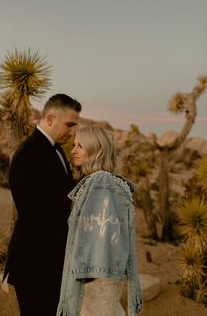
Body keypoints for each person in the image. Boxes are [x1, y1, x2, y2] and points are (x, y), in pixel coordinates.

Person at [2, 93, 82, 316]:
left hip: (51, 260)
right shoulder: (30, 154)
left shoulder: (54, 149)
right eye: (69, 124)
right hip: (35, 262)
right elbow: (38, 215)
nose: (72, 131)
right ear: (49, 118)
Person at [57, 125, 143, 316]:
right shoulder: (105, 181)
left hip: (94, 277)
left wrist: (85, 274)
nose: (73, 150)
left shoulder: (101, 182)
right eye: (74, 145)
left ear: (95, 148)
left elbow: (101, 232)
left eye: (80, 145)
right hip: (99, 273)